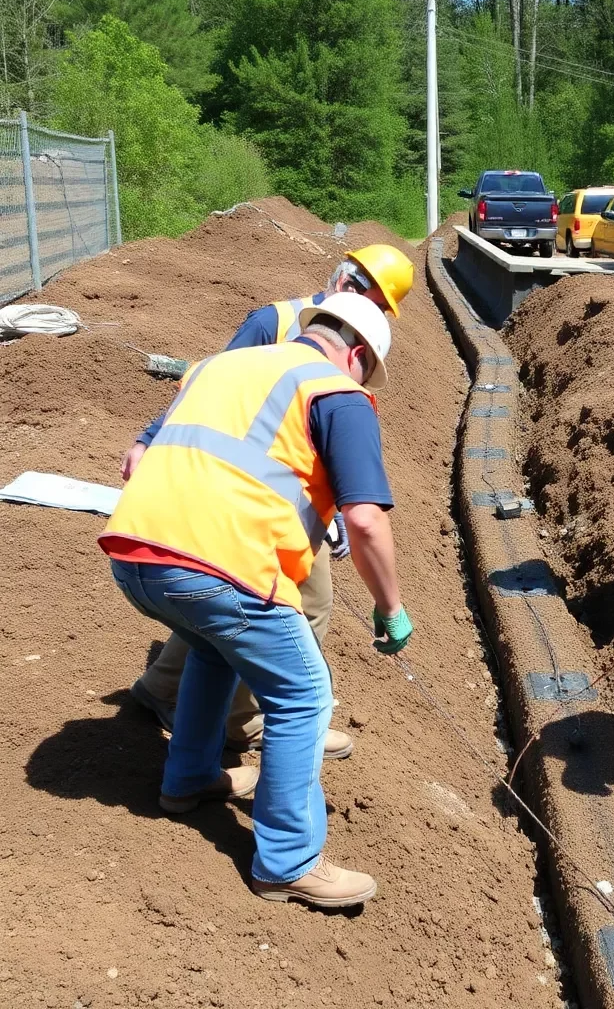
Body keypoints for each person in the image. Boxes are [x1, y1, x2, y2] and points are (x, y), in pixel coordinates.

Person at [100, 293, 413, 905]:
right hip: (221, 566)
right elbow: (367, 520)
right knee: (303, 693)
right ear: (356, 356)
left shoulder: (220, 366)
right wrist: (391, 607)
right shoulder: (336, 392)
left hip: (135, 554)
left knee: (214, 651)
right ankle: (289, 862)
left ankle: (188, 777)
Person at [122, 245, 415, 758]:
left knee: (218, 616)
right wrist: (390, 606)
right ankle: (268, 722)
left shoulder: (323, 363)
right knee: (282, 628)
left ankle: (182, 717)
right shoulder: (273, 328)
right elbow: (207, 396)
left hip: (255, 503)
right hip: (240, 503)